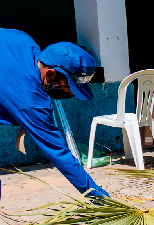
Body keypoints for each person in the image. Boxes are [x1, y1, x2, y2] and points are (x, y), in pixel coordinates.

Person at [0, 29, 108, 197]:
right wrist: (100, 198)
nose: (70, 95)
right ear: (50, 74)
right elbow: (60, 154)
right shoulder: (30, 101)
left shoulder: (24, 40)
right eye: (68, 89)